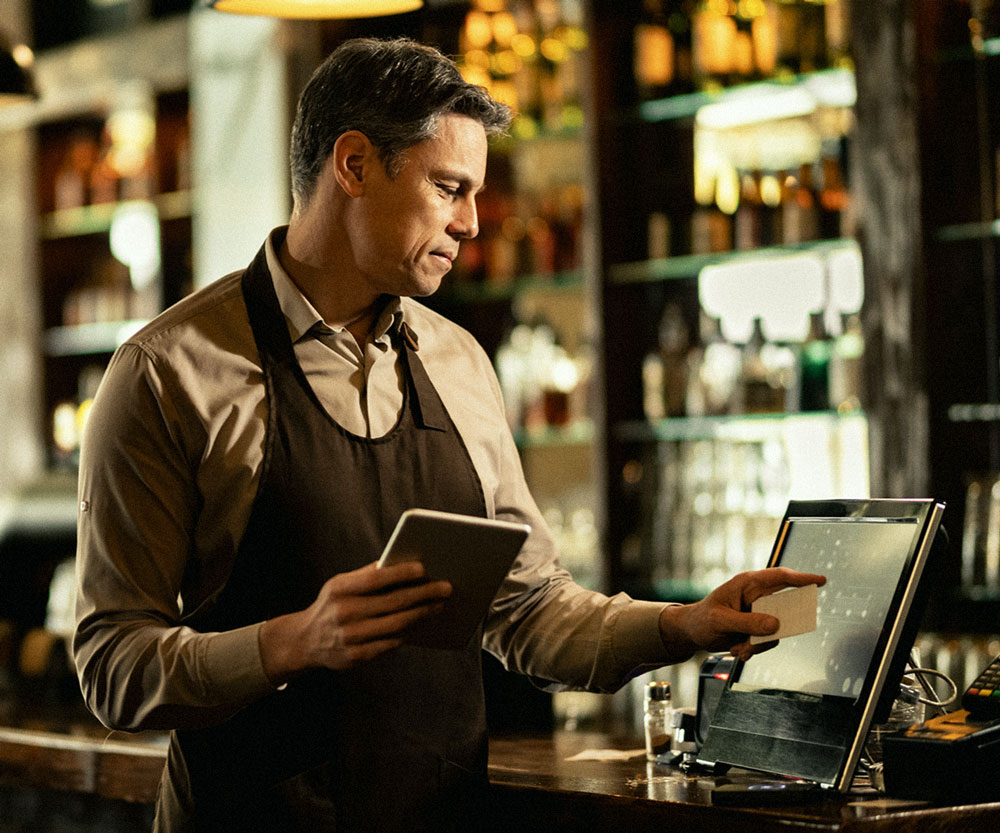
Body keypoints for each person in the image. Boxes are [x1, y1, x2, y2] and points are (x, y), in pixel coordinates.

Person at [73, 37, 825, 833]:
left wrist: (683, 624)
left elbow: (531, 611)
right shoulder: (168, 371)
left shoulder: (458, 359)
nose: (470, 223)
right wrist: (290, 641)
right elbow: (112, 665)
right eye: (448, 188)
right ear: (354, 165)